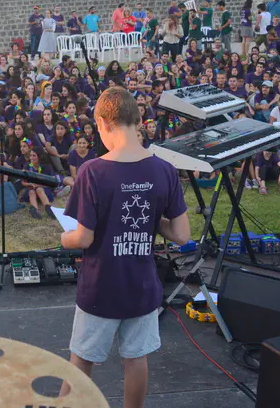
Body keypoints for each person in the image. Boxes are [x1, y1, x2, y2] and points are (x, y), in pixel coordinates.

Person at [59, 87, 190, 407]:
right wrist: (152, 219)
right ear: (139, 121)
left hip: (101, 287)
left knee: (81, 361)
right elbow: (182, 235)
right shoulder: (164, 169)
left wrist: (63, 238)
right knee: (136, 358)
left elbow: (83, 238)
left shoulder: (92, 171)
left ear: (103, 123)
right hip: (141, 286)